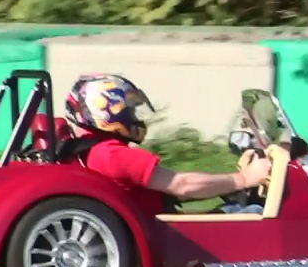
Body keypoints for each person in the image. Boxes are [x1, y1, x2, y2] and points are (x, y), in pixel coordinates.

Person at [61, 74, 272, 211]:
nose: (136, 116)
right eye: (130, 110)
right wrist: (244, 178)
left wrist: (224, 185)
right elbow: (181, 185)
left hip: (154, 225)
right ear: (109, 113)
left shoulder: (89, 150)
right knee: (254, 212)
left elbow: (167, 191)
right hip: (164, 236)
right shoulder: (113, 155)